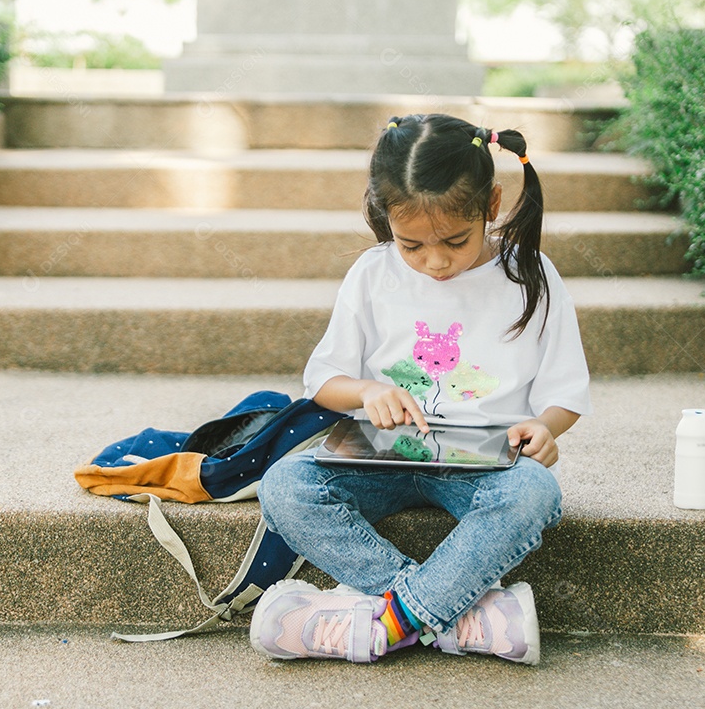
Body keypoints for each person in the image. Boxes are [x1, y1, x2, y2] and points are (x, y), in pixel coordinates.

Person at [249, 113, 592, 665]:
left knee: (533, 494)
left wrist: (544, 428)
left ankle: (389, 621)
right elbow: (324, 383)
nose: (434, 262)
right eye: (412, 246)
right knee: (285, 485)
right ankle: (450, 617)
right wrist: (365, 392)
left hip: (483, 464)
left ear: (492, 205)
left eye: (454, 242)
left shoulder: (531, 274)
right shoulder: (372, 272)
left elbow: (566, 391)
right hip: (380, 453)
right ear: (386, 220)